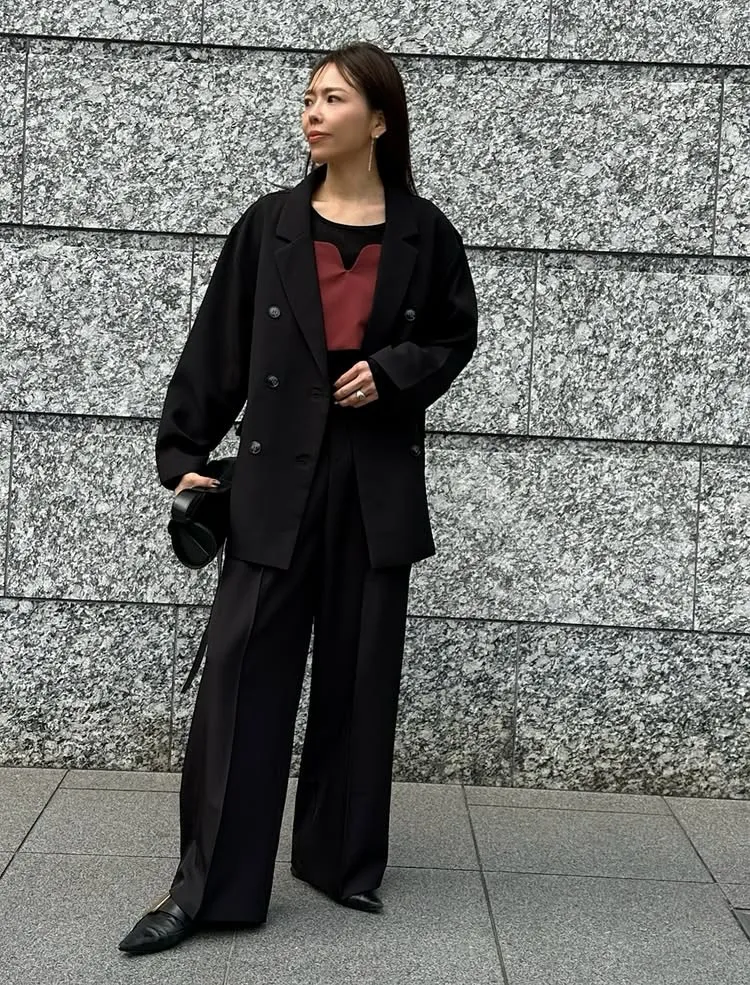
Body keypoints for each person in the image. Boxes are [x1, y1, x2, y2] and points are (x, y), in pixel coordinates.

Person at [118, 39, 478, 956]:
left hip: (373, 482)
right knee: (241, 679)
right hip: (276, 477)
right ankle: (210, 889)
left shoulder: (425, 233)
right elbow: (219, 344)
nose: (313, 112)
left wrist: (392, 372)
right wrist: (183, 451)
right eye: (310, 97)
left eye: (334, 99)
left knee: (360, 675)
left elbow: (453, 336)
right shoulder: (270, 224)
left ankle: (341, 860)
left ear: (380, 120)